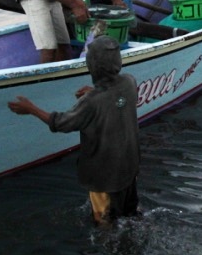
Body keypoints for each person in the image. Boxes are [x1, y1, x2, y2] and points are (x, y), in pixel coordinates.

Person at [7, 35, 140, 225]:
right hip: (129, 167)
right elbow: (116, 99)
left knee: (105, 224)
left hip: (105, 176)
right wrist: (94, 93)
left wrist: (31, 109)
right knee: (130, 214)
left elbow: (61, 123)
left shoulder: (91, 102)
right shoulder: (129, 81)